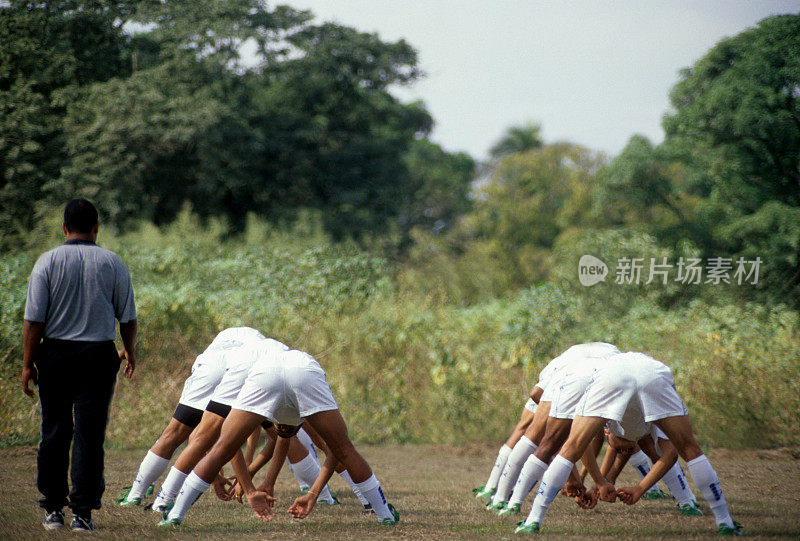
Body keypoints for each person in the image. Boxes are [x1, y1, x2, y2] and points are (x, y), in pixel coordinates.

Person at [160, 345, 399, 526]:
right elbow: (336, 451)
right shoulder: (302, 416)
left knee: (221, 446)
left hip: (265, 371)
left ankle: (174, 515)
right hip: (303, 370)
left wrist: (259, 487)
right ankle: (385, 515)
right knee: (346, 448)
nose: (283, 430)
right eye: (282, 428)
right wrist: (254, 488)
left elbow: (247, 445)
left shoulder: (279, 418)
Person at [515, 351, 742, 536]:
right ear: (607, 432)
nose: (624, 449)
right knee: (691, 449)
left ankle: (534, 519)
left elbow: (576, 447)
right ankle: (725, 521)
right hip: (652, 374)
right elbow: (674, 453)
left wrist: (617, 485)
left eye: (626, 449)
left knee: (571, 445)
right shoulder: (643, 422)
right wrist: (605, 483)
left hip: (614, 374)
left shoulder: (615, 421)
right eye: (623, 448)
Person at [22, 198, 137, 532]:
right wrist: (130, 351)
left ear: (63, 227)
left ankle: (53, 509)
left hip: (55, 355)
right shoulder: (112, 263)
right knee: (89, 434)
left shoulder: (47, 262)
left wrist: (28, 364)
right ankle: (82, 513)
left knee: (54, 431)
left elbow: (34, 321)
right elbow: (126, 317)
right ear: (96, 227)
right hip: (97, 357)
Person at [117, 327, 268, 507]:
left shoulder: (222, 342)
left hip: (211, 366)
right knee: (206, 438)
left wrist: (218, 476)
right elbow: (231, 439)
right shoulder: (262, 353)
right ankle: (162, 502)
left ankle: (135, 494)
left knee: (172, 434)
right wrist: (244, 480)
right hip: (243, 368)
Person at [487, 342, 620, 515]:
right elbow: (576, 440)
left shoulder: (566, 360)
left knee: (537, 438)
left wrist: (576, 477)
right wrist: (592, 480)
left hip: (571, 373)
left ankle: (502, 500)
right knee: (546, 438)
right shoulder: (611, 373)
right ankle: (510, 502)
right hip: (593, 374)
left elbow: (536, 393)